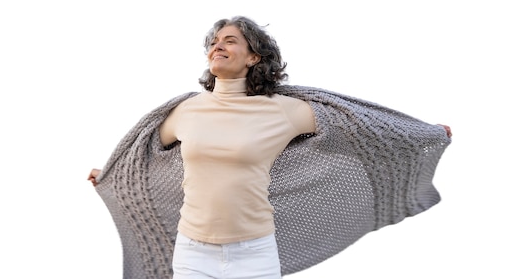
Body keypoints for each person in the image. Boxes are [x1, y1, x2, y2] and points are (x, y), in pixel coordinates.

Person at [88, 16, 452, 279]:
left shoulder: (286, 111)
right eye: (214, 41)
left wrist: (426, 132)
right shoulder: (185, 110)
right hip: (192, 252)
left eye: (230, 40)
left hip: (255, 253)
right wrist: (109, 175)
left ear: (254, 57)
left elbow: (361, 128)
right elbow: (141, 153)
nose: (218, 45)